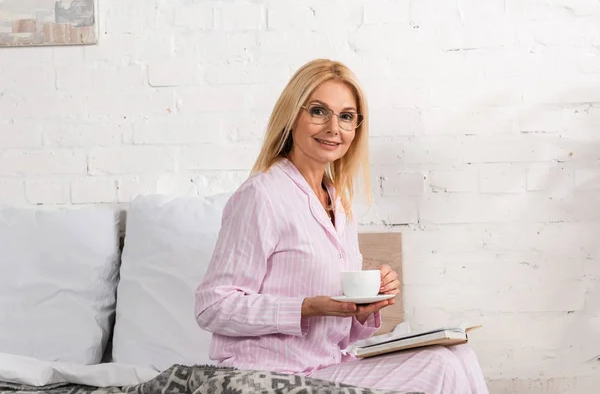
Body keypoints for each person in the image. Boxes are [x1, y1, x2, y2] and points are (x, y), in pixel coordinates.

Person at [195, 59, 489, 393]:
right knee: (439, 365)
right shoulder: (262, 195)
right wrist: (306, 308)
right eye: (319, 111)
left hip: (328, 367)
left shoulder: (340, 205)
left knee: (456, 353)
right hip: (268, 375)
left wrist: (365, 308)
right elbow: (212, 307)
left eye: (346, 116)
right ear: (292, 116)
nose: (334, 128)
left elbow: (340, 334)